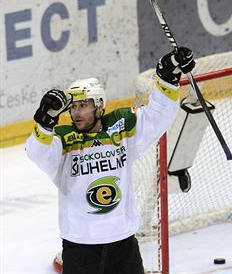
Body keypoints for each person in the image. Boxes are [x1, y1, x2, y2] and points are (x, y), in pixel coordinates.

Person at [26, 47, 195, 274]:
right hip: (80, 247)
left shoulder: (122, 130)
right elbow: (36, 152)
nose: (76, 113)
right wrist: (45, 121)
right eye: (73, 106)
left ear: (100, 106)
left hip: (123, 244)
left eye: (83, 105)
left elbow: (158, 116)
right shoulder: (62, 139)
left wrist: (168, 76)